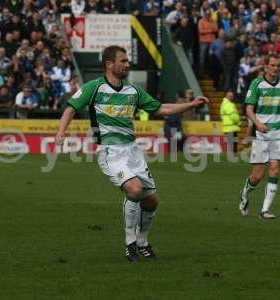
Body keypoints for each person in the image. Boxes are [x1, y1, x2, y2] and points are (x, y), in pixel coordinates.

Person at [55, 46, 209, 262]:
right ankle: (131, 245)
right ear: (109, 64)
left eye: (128, 61)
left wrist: (189, 105)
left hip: (132, 151)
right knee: (134, 189)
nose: (128, 64)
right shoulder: (94, 87)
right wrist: (61, 133)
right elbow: (71, 108)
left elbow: (161, 109)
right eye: (123, 61)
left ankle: (143, 242)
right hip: (110, 150)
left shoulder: (133, 91)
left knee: (152, 202)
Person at [239, 53, 280, 219]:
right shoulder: (257, 84)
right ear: (265, 66)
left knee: (275, 170)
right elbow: (249, 109)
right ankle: (245, 193)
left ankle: (264, 210)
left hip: (279, 132)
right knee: (258, 175)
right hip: (261, 133)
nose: (275, 68)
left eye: (278, 66)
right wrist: (258, 124)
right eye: (272, 65)